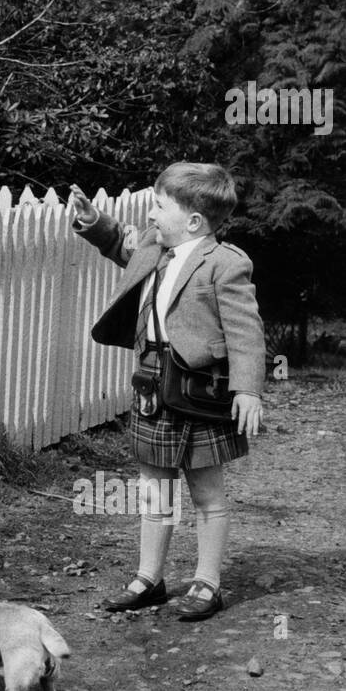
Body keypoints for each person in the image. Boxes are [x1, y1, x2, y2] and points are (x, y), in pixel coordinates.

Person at [69, 163, 265, 621]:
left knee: (207, 492)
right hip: (152, 382)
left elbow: (245, 331)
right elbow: (121, 243)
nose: (150, 214)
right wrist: (94, 222)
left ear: (193, 221)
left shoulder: (225, 263)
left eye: (159, 206)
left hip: (200, 391)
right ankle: (148, 579)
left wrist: (249, 390)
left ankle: (207, 583)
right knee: (155, 488)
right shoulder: (156, 247)